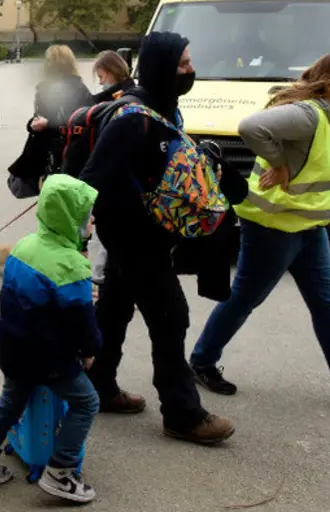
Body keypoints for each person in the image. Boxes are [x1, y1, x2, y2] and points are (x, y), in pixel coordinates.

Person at [189, 52, 330, 407]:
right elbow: (250, 127)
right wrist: (279, 164)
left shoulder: (329, 115)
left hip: (308, 226)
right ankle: (201, 361)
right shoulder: (309, 114)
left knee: (326, 303)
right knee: (246, 297)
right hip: (274, 227)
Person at [78, 32, 234, 444]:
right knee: (171, 318)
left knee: (114, 309)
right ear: (162, 66)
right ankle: (182, 413)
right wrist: (73, 239)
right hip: (131, 236)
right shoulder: (132, 120)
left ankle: (98, 385)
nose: (190, 70)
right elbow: (89, 181)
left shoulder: (166, 111)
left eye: (189, 61)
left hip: (153, 233)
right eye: (183, 63)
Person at [0, 174, 103, 504]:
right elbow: (84, 325)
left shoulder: (23, 246)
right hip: (51, 360)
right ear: (71, 218)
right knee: (87, 402)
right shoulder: (72, 267)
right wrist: (90, 351)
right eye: (87, 214)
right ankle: (61, 472)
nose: (92, 219)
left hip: (13, 350)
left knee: (9, 403)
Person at [28, 45, 91, 170]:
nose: (45, 65)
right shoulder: (45, 88)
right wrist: (32, 123)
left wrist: (48, 124)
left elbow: (78, 120)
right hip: (48, 148)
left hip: (65, 150)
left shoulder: (76, 89)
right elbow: (40, 115)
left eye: (49, 61)